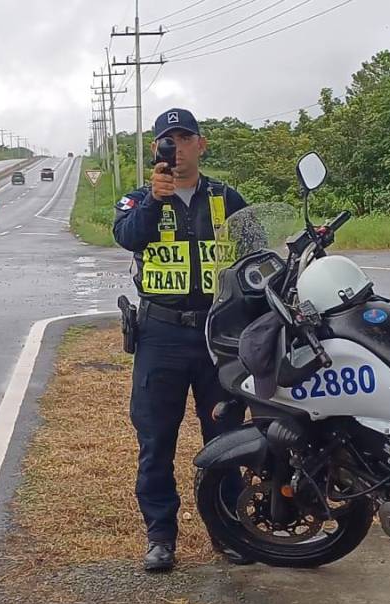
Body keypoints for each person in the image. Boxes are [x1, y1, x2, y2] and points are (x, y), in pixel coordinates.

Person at [113, 108, 251, 572]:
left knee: (227, 437)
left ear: (201, 144)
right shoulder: (138, 199)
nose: (176, 146)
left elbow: (254, 254)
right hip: (161, 334)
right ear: (157, 150)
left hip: (218, 335)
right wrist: (154, 199)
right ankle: (160, 537)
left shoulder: (226, 198)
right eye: (167, 140)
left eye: (184, 137)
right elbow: (127, 237)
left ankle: (228, 531)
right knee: (156, 440)